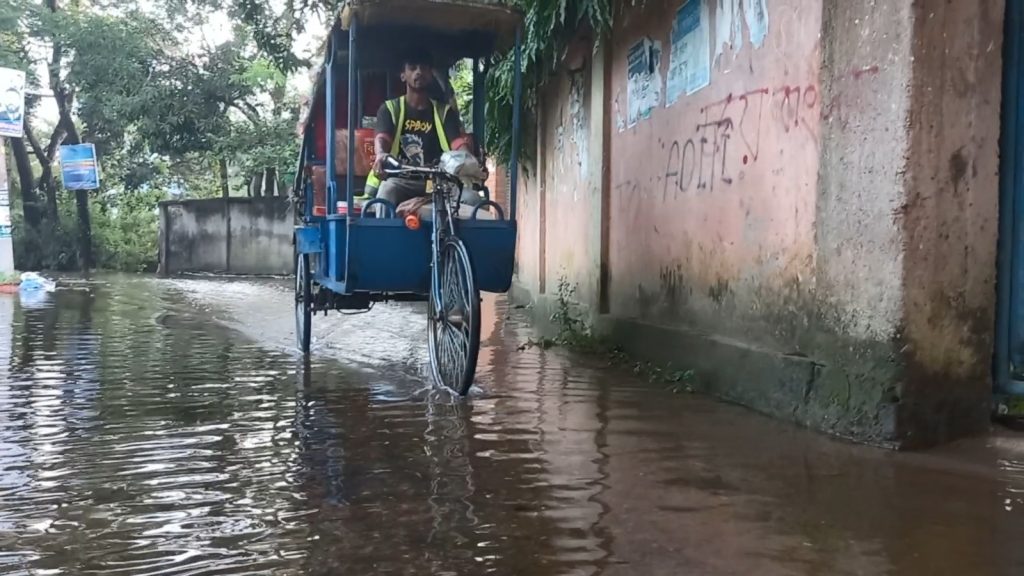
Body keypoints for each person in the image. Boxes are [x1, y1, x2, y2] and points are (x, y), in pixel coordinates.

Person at [368, 48, 478, 217]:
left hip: (437, 181)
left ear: (430, 74)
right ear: (403, 75)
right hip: (401, 180)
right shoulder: (390, 109)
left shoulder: (444, 112)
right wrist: (381, 154)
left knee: (473, 199)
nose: (419, 72)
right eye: (412, 68)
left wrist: (470, 161)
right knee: (386, 191)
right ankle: (383, 234)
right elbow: (382, 138)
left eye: (424, 68)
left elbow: (457, 144)